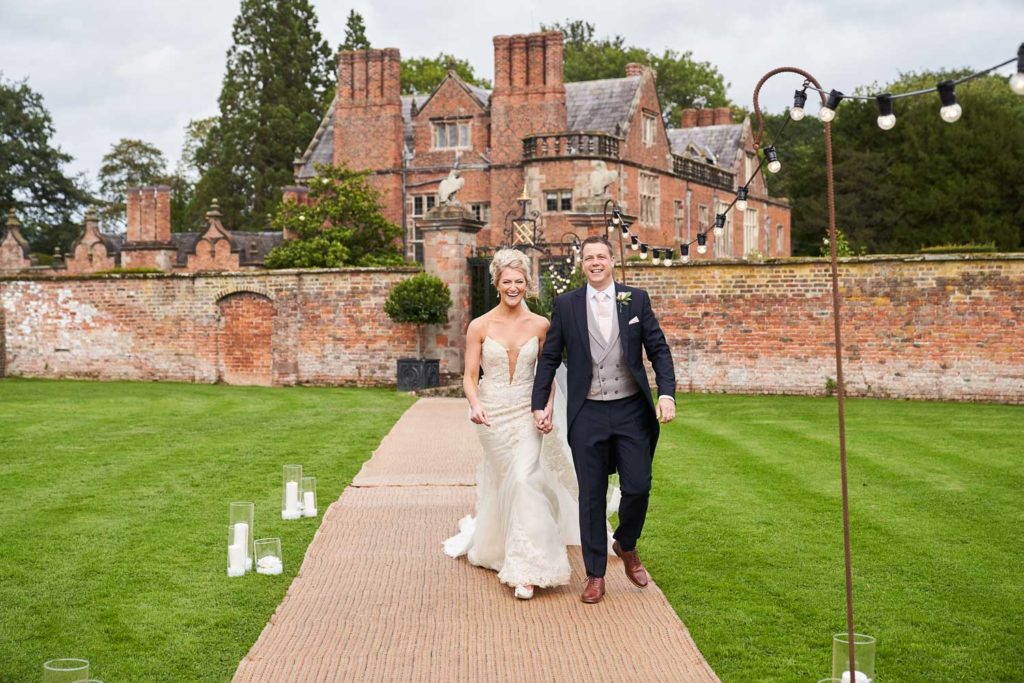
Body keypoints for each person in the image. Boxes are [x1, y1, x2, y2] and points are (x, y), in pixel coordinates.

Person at [532, 235, 676, 604]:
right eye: (588, 257)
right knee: (591, 495)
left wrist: (666, 394)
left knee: (639, 485)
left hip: (630, 409)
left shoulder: (636, 299)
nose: (595, 262)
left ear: (612, 261)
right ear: (582, 264)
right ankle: (595, 574)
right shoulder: (566, 305)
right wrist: (539, 402)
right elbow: (550, 357)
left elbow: (658, 348)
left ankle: (626, 543)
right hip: (588, 410)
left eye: (601, 256)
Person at [443, 248, 580, 600]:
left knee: (523, 478)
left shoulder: (541, 325)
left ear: (528, 284)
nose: (514, 287)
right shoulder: (480, 326)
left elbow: (546, 375)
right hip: (491, 414)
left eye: (520, 281)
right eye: (507, 281)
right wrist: (474, 405)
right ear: (497, 283)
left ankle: (530, 568)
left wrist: (547, 408)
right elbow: (470, 376)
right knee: (508, 480)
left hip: (527, 411)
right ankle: (499, 546)